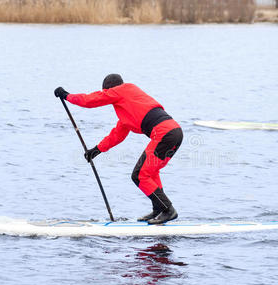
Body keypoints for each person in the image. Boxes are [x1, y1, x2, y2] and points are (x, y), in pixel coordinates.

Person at [54, 74, 183, 224]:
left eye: (106, 94)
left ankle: (168, 210)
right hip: (174, 133)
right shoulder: (128, 107)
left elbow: (90, 100)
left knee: (139, 175)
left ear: (109, 90)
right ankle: (159, 209)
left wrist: (66, 95)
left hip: (164, 134)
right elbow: (116, 136)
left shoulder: (122, 89)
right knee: (150, 172)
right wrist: (95, 151)